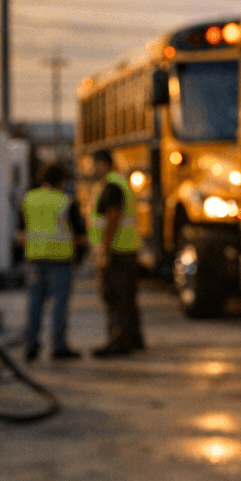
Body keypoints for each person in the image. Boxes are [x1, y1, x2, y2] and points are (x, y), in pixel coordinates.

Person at [17, 163, 86, 361]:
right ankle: (59, 346)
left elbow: (20, 233)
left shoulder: (28, 199)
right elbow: (79, 235)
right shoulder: (66, 201)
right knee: (59, 304)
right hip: (61, 259)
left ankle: (31, 346)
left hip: (35, 258)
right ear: (61, 181)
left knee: (35, 302)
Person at [90, 148, 144, 357]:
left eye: (93, 164)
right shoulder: (120, 183)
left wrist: (104, 249)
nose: (91, 169)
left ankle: (119, 340)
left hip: (117, 251)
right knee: (128, 297)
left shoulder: (111, 186)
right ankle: (134, 338)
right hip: (127, 249)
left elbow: (113, 217)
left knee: (115, 297)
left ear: (103, 163)